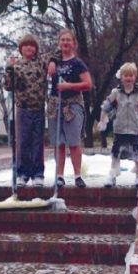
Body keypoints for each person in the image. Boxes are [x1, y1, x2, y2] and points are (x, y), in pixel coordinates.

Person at [3, 34, 58, 187]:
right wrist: (9, 68)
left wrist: (52, 62)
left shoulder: (41, 62)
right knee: (23, 142)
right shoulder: (17, 65)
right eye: (25, 45)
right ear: (21, 48)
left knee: (37, 142)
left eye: (32, 45)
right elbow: (8, 86)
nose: (29, 48)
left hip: (39, 109)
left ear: (35, 48)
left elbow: (57, 53)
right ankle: (22, 174)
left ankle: (38, 174)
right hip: (23, 109)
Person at [97, 62, 138, 188]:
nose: (128, 78)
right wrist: (102, 120)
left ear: (135, 77)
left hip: (135, 129)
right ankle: (113, 175)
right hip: (119, 128)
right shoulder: (116, 92)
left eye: (131, 75)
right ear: (121, 77)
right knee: (116, 153)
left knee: (137, 153)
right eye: (125, 75)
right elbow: (106, 106)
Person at [48, 28, 93, 188]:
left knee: (74, 142)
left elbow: (88, 84)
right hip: (55, 104)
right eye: (62, 40)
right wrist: (52, 62)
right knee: (58, 143)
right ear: (59, 42)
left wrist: (69, 86)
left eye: (68, 40)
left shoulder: (77, 63)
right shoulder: (53, 60)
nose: (65, 42)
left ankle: (78, 175)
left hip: (72, 105)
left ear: (73, 43)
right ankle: (59, 175)